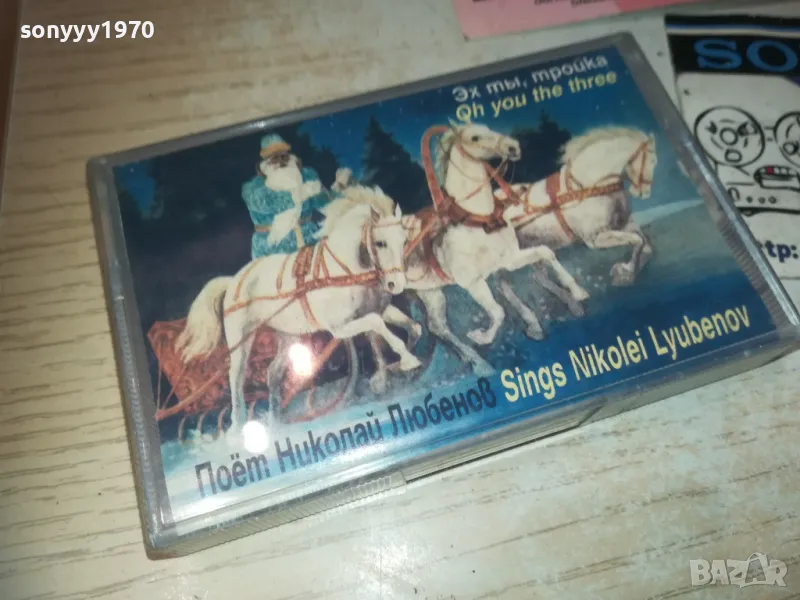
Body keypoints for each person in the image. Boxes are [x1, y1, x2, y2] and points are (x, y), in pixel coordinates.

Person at [241, 133, 351, 259]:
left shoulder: (306, 177)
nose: (280, 162)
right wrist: (299, 194)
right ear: (265, 163)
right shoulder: (253, 187)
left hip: (309, 241)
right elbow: (263, 202)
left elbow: (326, 203)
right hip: (271, 249)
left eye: (284, 157)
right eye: (274, 158)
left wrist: (340, 186)